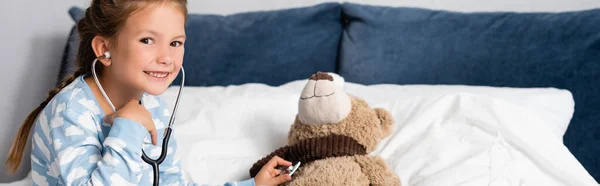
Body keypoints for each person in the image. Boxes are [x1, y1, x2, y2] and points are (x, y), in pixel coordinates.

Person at [4, 0, 293, 185]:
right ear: (105, 49)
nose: (166, 57)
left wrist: (251, 185)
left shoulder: (154, 109)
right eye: (148, 40)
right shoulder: (71, 112)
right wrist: (127, 128)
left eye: (176, 43)